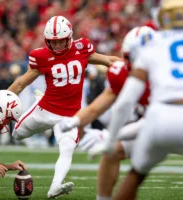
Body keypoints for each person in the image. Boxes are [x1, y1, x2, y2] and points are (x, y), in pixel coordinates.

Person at [91, 0, 183, 199]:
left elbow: (125, 102)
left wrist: (111, 139)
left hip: (158, 117)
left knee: (136, 174)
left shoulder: (149, 43)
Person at [7, 15, 121, 199]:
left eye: (61, 41)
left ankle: (55, 187)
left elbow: (108, 60)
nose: (58, 46)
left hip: (69, 116)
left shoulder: (82, 48)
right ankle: (38, 102)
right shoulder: (41, 56)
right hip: (45, 109)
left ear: (69, 37)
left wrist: (133, 68)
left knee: (67, 149)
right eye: (53, 42)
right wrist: (2, 98)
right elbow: (21, 83)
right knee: (17, 134)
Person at [55, 26, 154, 200]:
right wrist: (73, 121)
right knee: (115, 154)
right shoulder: (123, 72)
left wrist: (109, 136)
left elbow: (162, 121)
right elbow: (96, 108)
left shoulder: (167, 75)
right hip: (155, 127)